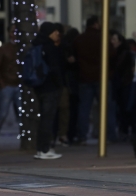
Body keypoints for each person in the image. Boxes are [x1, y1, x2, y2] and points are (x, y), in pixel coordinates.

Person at [73, 15, 117, 145]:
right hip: (102, 77)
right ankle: (110, 135)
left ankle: (82, 135)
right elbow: (112, 55)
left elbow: (74, 57)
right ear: (96, 24)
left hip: (85, 77)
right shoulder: (102, 38)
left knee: (84, 109)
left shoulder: (79, 39)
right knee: (106, 108)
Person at [32, 22, 63, 159]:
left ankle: (41, 148)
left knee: (44, 118)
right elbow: (55, 68)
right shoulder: (49, 47)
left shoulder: (37, 45)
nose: (57, 34)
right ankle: (45, 149)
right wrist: (59, 84)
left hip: (39, 86)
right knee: (48, 118)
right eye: (54, 31)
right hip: (50, 87)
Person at [0, 24, 20, 149]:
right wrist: (1, 84)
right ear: (9, 33)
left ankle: (25, 138)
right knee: (2, 114)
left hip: (17, 85)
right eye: (13, 31)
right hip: (7, 85)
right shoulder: (4, 49)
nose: (15, 34)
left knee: (21, 114)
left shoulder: (21, 48)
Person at [109, 30, 135, 141]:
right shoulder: (119, 52)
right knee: (123, 107)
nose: (111, 41)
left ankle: (124, 129)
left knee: (125, 107)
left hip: (124, 84)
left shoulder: (123, 53)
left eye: (114, 39)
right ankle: (124, 129)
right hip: (121, 84)